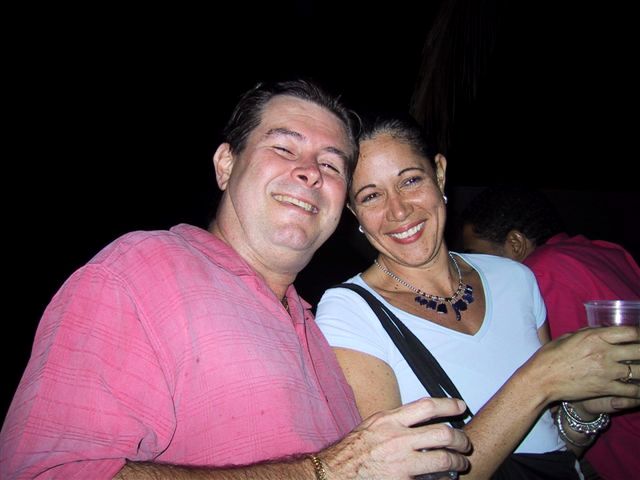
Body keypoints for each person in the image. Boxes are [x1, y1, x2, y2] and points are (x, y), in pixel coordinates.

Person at [0, 80, 472, 480]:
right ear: (226, 165)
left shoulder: (314, 328)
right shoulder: (140, 271)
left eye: (331, 165)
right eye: (284, 148)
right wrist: (326, 470)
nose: (310, 172)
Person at [314, 113, 640, 479]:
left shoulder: (516, 278)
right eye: (371, 195)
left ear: (439, 173)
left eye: (410, 180)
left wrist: (586, 410)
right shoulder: (348, 312)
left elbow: (552, 448)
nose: (399, 210)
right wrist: (538, 380)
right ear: (353, 210)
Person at [460, 185, 640, 479]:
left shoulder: (538, 274)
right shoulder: (604, 250)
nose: (472, 267)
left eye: (477, 254)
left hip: (622, 444)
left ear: (515, 243)